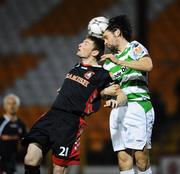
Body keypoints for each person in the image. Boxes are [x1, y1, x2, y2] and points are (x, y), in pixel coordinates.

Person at [22, 35, 127, 174]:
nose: (80, 44)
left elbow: (122, 95)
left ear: (95, 52)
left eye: (86, 43)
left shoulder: (103, 74)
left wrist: (115, 100)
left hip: (71, 122)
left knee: (59, 170)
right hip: (51, 115)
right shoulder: (76, 67)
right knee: (30, 159)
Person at [101, 15, 155, 174]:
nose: (104, 42)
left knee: (141, 157)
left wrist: (120, 62)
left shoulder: (134, 47)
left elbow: (148, 65)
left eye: (106, 37)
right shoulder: (108, 63)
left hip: (138, 105)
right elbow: (106, 90)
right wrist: (106, 94)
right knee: (123, 159)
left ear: (117, 32)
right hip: (119, 110)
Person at [0, 94, 27, 174]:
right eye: (9, 103)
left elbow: (24, 141)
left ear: (18, 106)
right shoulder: (1, 122)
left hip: (13, 159)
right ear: (4, 106)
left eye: (14, 103)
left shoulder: (21, 124)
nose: (11, 106)